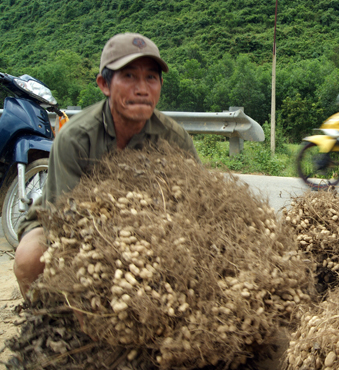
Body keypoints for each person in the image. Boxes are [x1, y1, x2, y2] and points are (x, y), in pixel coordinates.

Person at [13, 33, 200, 299]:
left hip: (152, 228)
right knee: (29, 258)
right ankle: (46, 319)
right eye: (129, 76)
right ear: (104, 84)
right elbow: (64, 219)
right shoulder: (76, 138)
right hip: (70, 224)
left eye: (151, 77)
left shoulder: (175, 139)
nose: (142, 88)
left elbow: (196, 205)